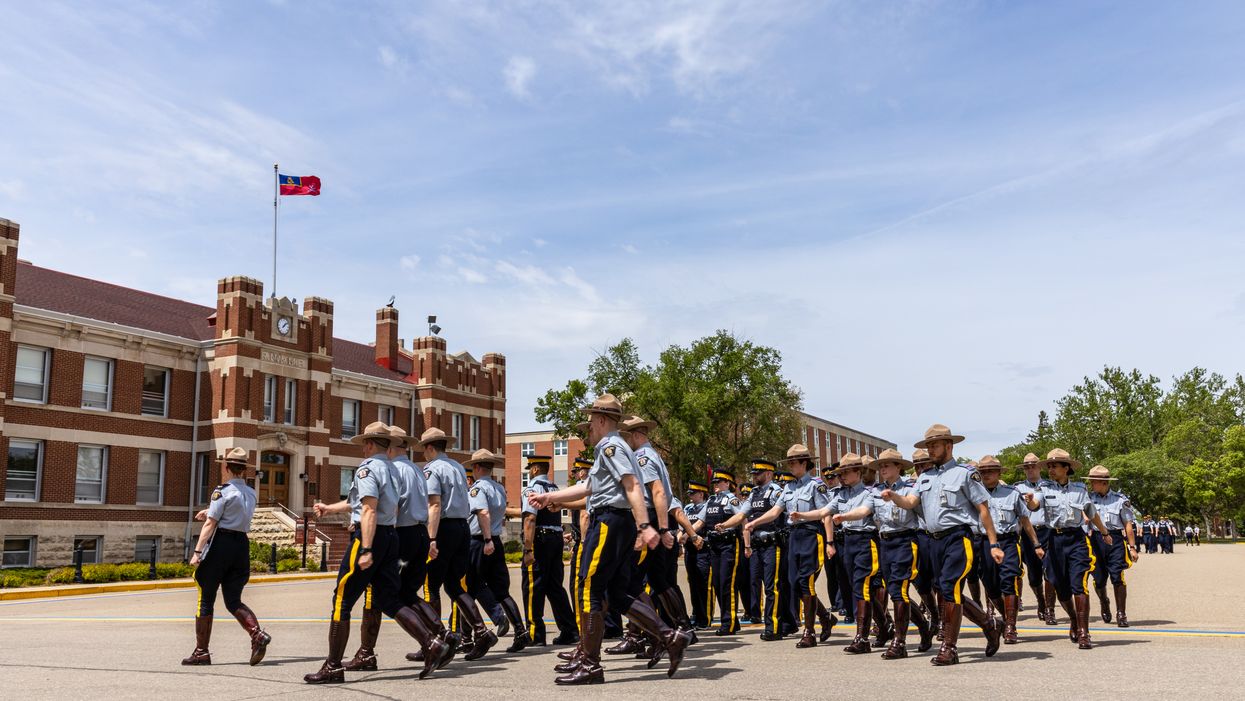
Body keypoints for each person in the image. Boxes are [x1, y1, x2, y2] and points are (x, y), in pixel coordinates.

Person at [528, 394, 689, 685]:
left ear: (601, 420)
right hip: (617, 521)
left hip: (610, 521)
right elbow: (590, 486)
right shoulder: (612, 447)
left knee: (590, 588)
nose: (588, 425)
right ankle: (670, 637)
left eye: (591, 420)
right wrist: (550, 496)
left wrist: (645, 525)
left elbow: (632, 485)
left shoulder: (611, 445)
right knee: (618, 593)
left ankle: (590, 664)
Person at [306, 422, 451, 684]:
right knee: (389, 599)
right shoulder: (394, 470)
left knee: (342, 599)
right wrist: (330, 509)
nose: (363, 448)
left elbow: (369, 509)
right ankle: (431, 642)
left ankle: (333, 666)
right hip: (392, 536)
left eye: (365, 443)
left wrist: (367, 548)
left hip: (371, 537)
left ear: (371, 444)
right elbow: (365, 504)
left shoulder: (369, 468)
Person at [895, 424, 1003, 666]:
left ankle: (949, 648)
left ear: (949, 445)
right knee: (946, 591)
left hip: (958, 538)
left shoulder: (965, 473)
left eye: (935, 445)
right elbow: (911, 502)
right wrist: (894, 497)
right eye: (928, 446)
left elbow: (983, 509)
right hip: (934, 543)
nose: (930, 450)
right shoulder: (924, 477)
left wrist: (994, 543)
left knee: (949, 587)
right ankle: (989, 624)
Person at [343, 425, 444, 672]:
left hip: (395, 533)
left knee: (373, 595)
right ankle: (440, 635)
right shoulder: (416, 470)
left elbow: (381, 508)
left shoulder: (389, 468)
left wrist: (369, 543)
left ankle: (367, 652)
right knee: (404, 593)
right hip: (416, 533)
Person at [417, 426, 499, 663]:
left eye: (424, 449)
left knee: (431, 585)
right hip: (463, 527)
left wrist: (431, 538)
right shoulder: (455, 467)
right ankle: (481, 631)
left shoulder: (432, 469)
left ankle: (435, 641)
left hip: (443, 528)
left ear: (430, 448)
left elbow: (434, 504)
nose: (424, 454)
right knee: (454, 585)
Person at [745, 443, 837, 649]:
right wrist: (754, 522)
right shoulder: (789, 487)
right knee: (795, 583)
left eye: (793, 462)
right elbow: (776, 511)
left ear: (804, 463)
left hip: (811, 535)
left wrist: (830, 542)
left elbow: (826, 513)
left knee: (806, 582)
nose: (790, 466)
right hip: (794, 537)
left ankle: (809, 631)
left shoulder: (816, 485)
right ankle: (825, 617)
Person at [184, 448, 270, 666]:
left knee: (206, 598)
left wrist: (197, 552)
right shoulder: (251, 493)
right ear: (243, 470)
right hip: (241, 546)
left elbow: (211, 524)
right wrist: (209, 510)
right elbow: (233, 511)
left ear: (226, 467)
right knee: (233, 600)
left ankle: (201, 652)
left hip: (220, 545)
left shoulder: (221, 491)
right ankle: (257, 634)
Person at [1024, 448, 1113, 650]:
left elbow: (1091, 512)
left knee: (1079, 585)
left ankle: (1084, 632)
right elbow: (1035, 505)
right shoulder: (1044, 488)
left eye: (1055, 466)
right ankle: (1073, 618)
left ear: (1067, 468)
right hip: (1054, 541)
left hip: (1076, 540)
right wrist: (1030, 502)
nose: (1051, 470)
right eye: (1049, 466)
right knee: (1061, 589)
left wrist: (1105, 532)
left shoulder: (1079, 490)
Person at [808, 452, 890, 654]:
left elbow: (863, 512)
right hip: (848, 542)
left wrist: (843, 516)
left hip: (865, 542)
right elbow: (822, 512)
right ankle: (886, 625)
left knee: (862, 588)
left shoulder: (871, 493)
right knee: (862, 590)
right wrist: (800, 515)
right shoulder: (841, 494)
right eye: (840, 472)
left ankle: (861, 638)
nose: (841, 476)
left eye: (846, 472)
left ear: (858, 472)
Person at [976, 455, 1043, 645]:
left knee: (1009, 580)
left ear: (998, 473)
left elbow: (1025, 520)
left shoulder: (1012, 493)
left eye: (990, 471)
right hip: (984, 543)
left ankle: (1011, 627)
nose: (986, 474)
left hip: (1008, 542)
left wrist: (1036, 544)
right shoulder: (973, 494)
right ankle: (1006, 618)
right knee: (991, 586)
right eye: (983, 471)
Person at [720, 459, 789, 640]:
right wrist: (724, 525)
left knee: (771, 587)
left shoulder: (776, 492)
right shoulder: (754, 493)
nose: (754, 477)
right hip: (758, 546)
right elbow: (742, 515)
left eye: (757, 473)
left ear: (768, 473)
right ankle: (778, 623)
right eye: (753, 474)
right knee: (757, 585)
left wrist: (754, 523)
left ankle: (773, 627)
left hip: (773, 544)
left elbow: (775, 513)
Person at [519, 454, 579, 648]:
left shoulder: (532, 488)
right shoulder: (553, 488)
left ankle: (535, 634)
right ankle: (569, 630)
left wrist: (528, 548)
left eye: (530, 469)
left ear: (535, 469)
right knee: (555, 587)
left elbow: (530, 518)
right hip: (555, 538)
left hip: (539, 539)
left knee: (533, 585)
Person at [1086, 465, 1139, 628]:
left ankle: (1121, 614)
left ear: (1103, 482)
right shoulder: (1088, 498)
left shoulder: (1120, 500)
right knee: (1099, 578)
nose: (1091, 484)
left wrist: (1132, 547)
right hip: (1096, 539)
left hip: (1115, 539)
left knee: (1117, 575)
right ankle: (1104, 601)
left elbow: (1127, 524)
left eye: (1093, 481)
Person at [1013, 452, 1057, 625]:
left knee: (1050, 571)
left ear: (1040, 467)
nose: (1030, 469)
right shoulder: (1016, 489)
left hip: (1047, 531)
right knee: (1034, 575)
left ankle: (1050, 609)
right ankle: (1040, 601)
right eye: (1027, 467)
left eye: (1033, 466)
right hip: (1027, 534)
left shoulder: (1049, 486)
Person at [701, 469, 747, 635]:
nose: (715, 486)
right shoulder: (711, 500)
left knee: (727, 583)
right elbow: (701, 520)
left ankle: (729, 623)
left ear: (727, 483)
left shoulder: (732, 500)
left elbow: (742, 517)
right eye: (714, 483)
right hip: (714, 545)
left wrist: (746, 543)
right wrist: (687, 535)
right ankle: (731, 621)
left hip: (728, 544)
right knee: (718, 583)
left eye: (719, 482)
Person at [908, 448, 941, 641]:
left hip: (937, 536)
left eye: (924, 464)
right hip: (919, 536)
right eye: (917, 465)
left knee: (941, 582)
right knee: (920, 581)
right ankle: (934, 614)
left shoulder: (938, 482)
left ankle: (945, 621)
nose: (921, 469)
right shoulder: (911, 486)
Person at [682, 482, 712, 629]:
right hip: (690, 549)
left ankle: (704, 618)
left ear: (701, 494)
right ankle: (696, 614)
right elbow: (682, 525)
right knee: (693, 583)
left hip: (702, 549)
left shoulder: (707, 506)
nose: (690, 496)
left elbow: (699, 523)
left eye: (693, 493)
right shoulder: (687, 508)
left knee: (703, 583)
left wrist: (685, 536)